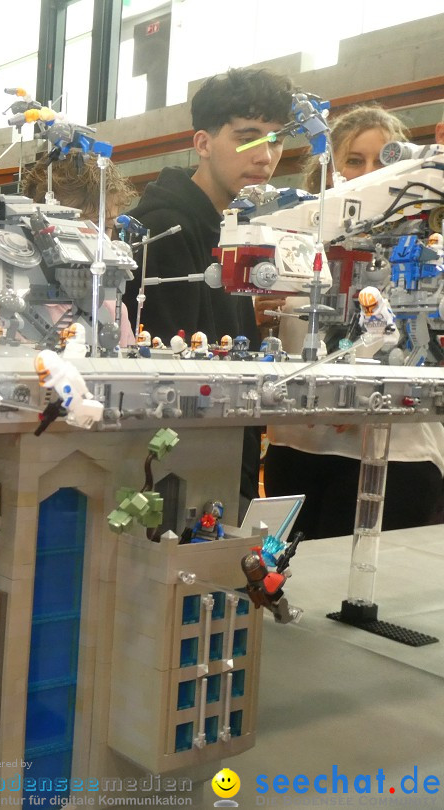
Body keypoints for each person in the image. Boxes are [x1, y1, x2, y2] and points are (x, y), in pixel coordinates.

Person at [264, 105, 444, 538]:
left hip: (397, 454)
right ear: (328, 171)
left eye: (382, 161)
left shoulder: (428, 251)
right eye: (354, 160)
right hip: (298, 448)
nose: (368, 173)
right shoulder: (294, 240)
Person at [121, 67, 294, 516]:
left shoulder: (231, 228)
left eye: (276, 140)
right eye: (247, 138)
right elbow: (170, 372)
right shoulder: (165, 228)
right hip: (180, 470)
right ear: (203, 143)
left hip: (226, 455)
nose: (265, 156)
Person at [0, 152, 138, 345]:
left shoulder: (112, 307)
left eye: (106, 227)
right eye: (87, 227)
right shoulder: (10, 305)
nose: (99, 242)